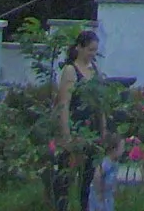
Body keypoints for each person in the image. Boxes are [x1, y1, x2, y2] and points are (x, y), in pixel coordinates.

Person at [52, 30, 105, 211]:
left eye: (95, 50)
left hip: (93, 130)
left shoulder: (95, 70)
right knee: (66, 177)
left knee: (87, 177)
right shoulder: (70, 70)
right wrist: (66, 135)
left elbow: (100, 103)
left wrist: (103, 130)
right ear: (79, 48)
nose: (92, 54)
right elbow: (64, 104)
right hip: (76, 127)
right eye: (90, 49)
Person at [88, 130, 125, 211]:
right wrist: (99, 193)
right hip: (100, 195)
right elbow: (97, 176)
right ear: (114, 149)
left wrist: (115, 189)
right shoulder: (106, 162)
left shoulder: (115, 163)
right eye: (122, 148)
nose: (123, 150)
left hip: (108, 194)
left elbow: (113, 178)